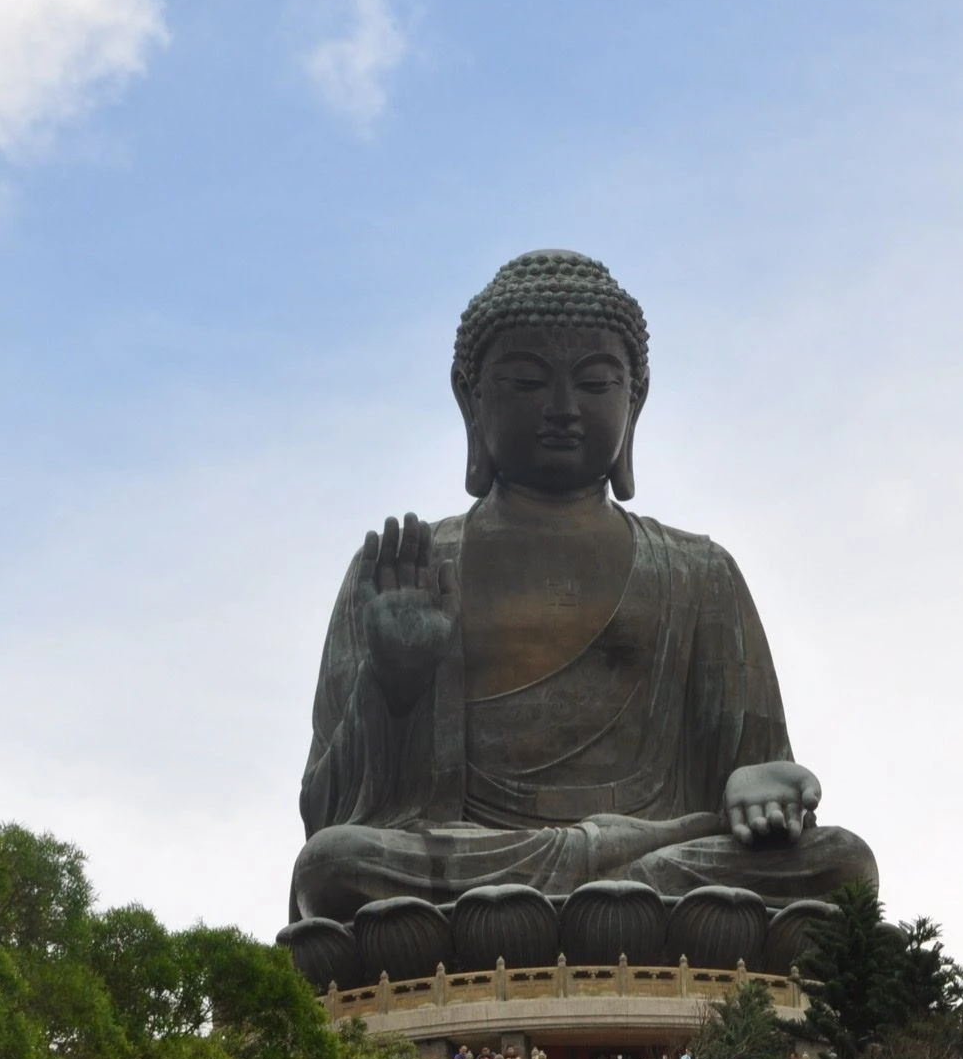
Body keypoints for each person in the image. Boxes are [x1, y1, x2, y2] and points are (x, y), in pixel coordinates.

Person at [289, 251, 877, 921]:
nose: (563, 409)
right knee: (334, 865)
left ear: (637, 397)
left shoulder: (698, 571)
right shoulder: (405, 568)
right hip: (471, 862)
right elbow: (326, 813)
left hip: (658, 855)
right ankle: (589, 907)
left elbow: (754, 774)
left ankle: (585, 905)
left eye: (595, 385)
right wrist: (394, 684)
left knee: (843, 864)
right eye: (526, 384)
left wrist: (758, 783)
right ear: (470, 399)